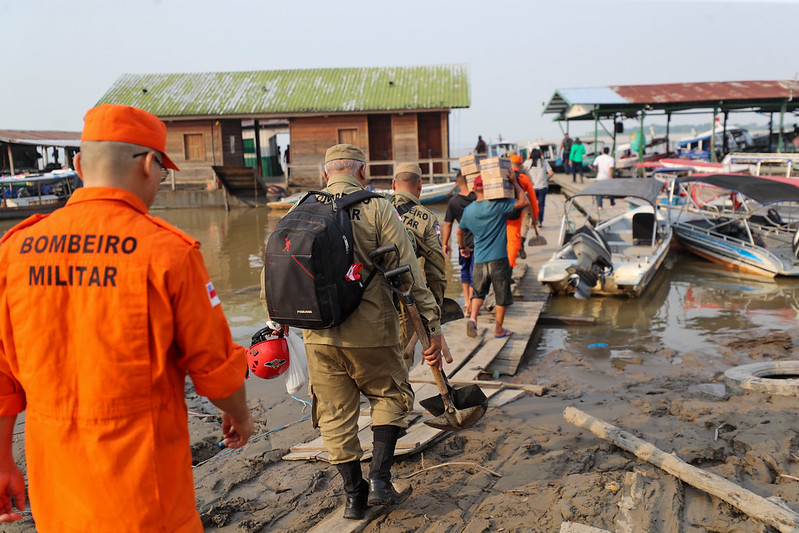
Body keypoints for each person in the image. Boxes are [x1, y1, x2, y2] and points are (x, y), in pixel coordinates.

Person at [0, 104, 254, 532]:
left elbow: (4, 373)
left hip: (57, 490)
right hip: (144, 491)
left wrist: (4, 458)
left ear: (79, 165)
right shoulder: (169, 253)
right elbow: (213, 366)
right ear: (151, 165)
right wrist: (241, 414)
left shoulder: (15, 250)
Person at [263, 144, 442, 520]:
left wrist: (275, 324)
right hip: (373, 332)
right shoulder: (378, 208)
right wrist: (433, 326)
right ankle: (379, 480)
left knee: (333, 414)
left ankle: (353, 497)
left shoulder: (300, 208)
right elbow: (410, 272)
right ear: (362, 173)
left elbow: (274, 273)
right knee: (391, 396)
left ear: (325, 175)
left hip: (318, 335)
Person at [388, 162, 448, 362]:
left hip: (365, 301)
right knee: (398, 374)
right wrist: (434, 313)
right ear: (420, 185)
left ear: (393, 184)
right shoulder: (426, 219)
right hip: (403, 304)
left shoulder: (375, 206)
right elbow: (436, 272)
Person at [458, 171, 528, 339]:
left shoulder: (469, 211)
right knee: (501, 295)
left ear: (474, 189)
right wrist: (513, 182)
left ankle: (473, 319)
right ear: (489, 188)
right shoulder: (498, 205)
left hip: (480, 260)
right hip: (499, 259)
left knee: (478, 294)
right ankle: (498, 329)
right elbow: (523, 201)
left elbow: (459, 232)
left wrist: (463, 247)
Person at [442, 172, 476, 308]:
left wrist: (445, 243)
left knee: (465, 270)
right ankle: (473, 302)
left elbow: (448, 224)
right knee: (475, 272)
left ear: (457, 183)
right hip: (478, 241)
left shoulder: (453, 202)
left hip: (463, 242)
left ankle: (467, 301)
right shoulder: (477, 198)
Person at [507, 155, 538, 267]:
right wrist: (535, 217)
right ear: (520, 165)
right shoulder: (523, 178)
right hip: (516, 213)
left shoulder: (502, 177)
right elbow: (533, 200)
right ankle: (510, 266)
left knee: (503, 241)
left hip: (500, 214)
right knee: (513, 241)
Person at [525, 148, 554, 224]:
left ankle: (534, 221)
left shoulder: (527, 163)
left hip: (532, 188)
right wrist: (546, 178)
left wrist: (527, 158)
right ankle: (540, 221)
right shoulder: (544, 162)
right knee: (541, 205)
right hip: (542, 187)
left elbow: (522, 171)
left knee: (532, 205)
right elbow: (551, 173)